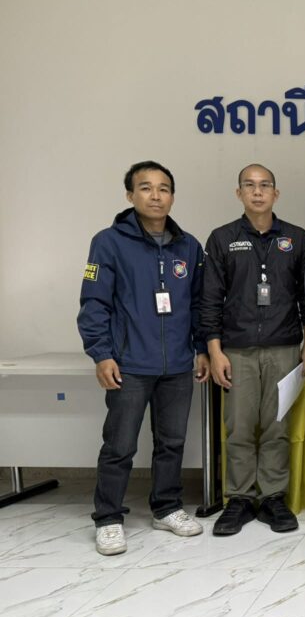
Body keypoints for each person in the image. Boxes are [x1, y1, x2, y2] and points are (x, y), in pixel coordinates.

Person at [78, 160, 210, 556]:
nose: (156, 196)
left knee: (172, 442)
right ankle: (108, 518)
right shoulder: (108, 242)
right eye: (146, 188)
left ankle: (166, 508)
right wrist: (101, 354)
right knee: (119, 445)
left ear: (172, 196)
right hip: (129, 364)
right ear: (130, 195)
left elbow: (200, 304)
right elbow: (94, 303)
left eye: (164, 188)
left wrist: (201, 348)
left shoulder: (189, 246)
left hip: (178, 366)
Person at [201, 164, 305, 536]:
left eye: (265, 185)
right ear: (239, 193)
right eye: (249, 185)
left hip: (285, 347)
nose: (257, 191)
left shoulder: (296, 238)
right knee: (238, 427)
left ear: (276, 194)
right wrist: (215, 351)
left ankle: (272, 497)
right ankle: (238, 498)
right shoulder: (222, 238)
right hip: (236, 349)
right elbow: (210, 300)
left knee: (276, 427)